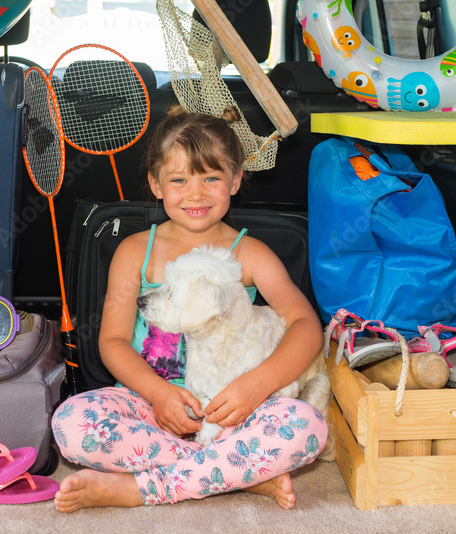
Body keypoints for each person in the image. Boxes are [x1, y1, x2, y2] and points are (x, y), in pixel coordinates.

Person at [52, 106, 328, 513]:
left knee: (306, 428)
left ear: (235, 181)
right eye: (179, 180)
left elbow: (306, 326)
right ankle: (240, 476)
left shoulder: (251, 255)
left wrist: (256, 386)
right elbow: (111, 341)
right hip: (150, 402)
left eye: (211, 178)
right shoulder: (133, 252)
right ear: (156, 184)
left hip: (234, 410)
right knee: (70, 423)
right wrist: (159, 394)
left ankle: (138, 489)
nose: (195, 193)